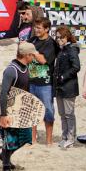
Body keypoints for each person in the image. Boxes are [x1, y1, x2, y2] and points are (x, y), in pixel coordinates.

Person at [0, 42, 37, 171]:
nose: (34, 57)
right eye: (33, 54)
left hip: (21, 110)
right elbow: (3, 93)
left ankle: (4, 156)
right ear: (27, 55)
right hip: (9, 111)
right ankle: (6, 168)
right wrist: (3, 115)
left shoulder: (26, 68)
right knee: (10, 139)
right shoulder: (11, 70)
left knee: (26, 137)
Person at [26, 17, 59, 146]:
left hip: (45, 84)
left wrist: (32, 51)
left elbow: (44, 60)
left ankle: (49, 141)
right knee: (32, 110)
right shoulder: (32, 40)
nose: (36, 30)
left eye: (39, 28)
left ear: (47, 29)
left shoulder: (51, 43)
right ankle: (33, 139)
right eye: (35, 27)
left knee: (48, 111)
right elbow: (24, 55)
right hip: (31, 82)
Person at [53, 26, 80, 149]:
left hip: (69, 87)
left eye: (61, 37)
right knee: (62, 114)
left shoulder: (72, 50)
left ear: (67, 37)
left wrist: (63, 77)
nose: (59, 39)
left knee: (69, 114)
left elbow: (76, 67)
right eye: (57, 37)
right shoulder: (60, 50)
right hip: (59, 87)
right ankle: (64, 137)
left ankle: (71, 138)